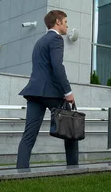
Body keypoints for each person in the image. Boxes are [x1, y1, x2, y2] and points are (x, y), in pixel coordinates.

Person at [16, 10, 78, 169]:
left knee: (29, 135)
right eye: (65, 22)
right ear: (58, 22)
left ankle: (20, 172)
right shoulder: (56, 39)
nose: (67, 25)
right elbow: (58, 67)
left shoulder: (40, 41)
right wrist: (68, 92)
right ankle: (73, 170)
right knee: (70, 130)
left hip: (34, 92)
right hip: (51, 92)